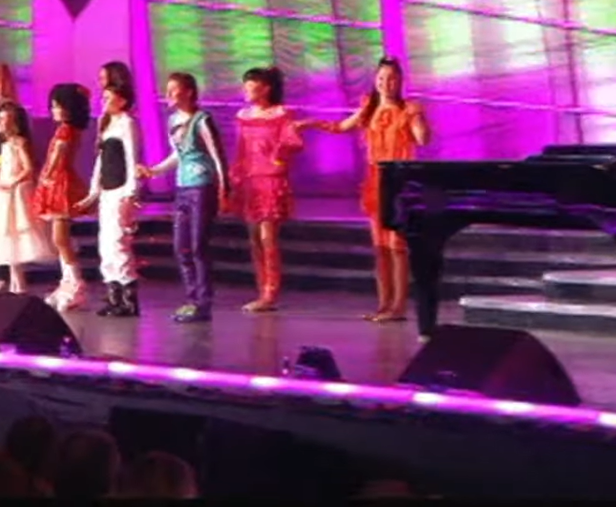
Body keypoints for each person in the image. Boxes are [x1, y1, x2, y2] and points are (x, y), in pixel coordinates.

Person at [304, 56, 429, 322]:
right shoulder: (368, 108)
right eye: (381, 78)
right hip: (375, 183)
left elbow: (422, 139)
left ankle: (398, 306)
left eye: (392, 78)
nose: (386, 83)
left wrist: (417, 117)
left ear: (400, 81)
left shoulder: (408, 109)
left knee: (397, 247)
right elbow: (340, 127)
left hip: (400, 182)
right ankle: (384, 304)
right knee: (380, 247)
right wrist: (310, 123)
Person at [137, 72, 229, 323]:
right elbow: (178, 154)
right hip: (182, 188)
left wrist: (224, 188)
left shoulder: (202, 120)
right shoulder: (173, 121)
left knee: (199, 246)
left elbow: (217, 155)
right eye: (166, 89)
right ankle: (191, 299)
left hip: (202, 187)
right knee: (181, 247)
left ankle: (203, 302)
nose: (168, 94)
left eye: (174, 89)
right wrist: (154, 171)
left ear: (188, 92)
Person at [229, 67, 305, 313]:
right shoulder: (243, 115)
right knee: (254, 239)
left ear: (266, 88)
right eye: (246, 86)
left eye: (252, 86)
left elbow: (293, 143)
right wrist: (235, 177)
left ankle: (270, 292)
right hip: (249, 180)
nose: (247, 91)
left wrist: (279, 155)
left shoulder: (281, 114)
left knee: (267, 237)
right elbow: (240, 149)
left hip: (270, 179)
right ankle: (261, 288)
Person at [0, 101, 55, 293]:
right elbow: (4, 173)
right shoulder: (6, 145)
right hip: (3, 193)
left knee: (16, 232)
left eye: (4, 119)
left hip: (15, 193)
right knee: (7, 236)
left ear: (15, 123)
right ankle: (15, 283)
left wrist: (12, 183)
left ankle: (19, 285)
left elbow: (28, 169)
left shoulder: (19, 142)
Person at [76, 84, 141, 318]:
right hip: (107, 191)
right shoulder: (107, 125)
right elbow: (100, 163)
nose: (103, 101)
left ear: (122, 100)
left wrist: (130, 193)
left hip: (120, 190)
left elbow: (132, 158)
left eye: (108, 97)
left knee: (118, 243)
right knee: (106, 245)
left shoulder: (127, 123)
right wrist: (93, 192)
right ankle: (114, 296)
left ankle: (128, 299)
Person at [32, 84, 92, 311]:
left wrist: (46, 176)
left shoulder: (66, 131)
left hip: (60, 183)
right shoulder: (66, 130)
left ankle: (75, 282)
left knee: (60, 238)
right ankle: (67, 280)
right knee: (59, 239)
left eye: (57, 106)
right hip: (57, 181)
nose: (53, 110)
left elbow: (58, 156)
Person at [0, 63, 32, 291]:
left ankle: (9, 277)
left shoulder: (10, 109)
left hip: (6, 168)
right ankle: (4, 275)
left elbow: (20, 145)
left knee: (10, 226)